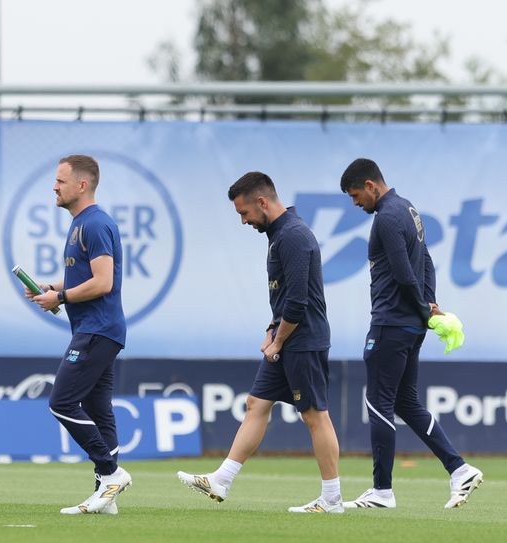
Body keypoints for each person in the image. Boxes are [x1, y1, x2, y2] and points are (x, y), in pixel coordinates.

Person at [177, 172, 344, 513]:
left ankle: (332, 499)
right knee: (256, 403)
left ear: (263, 202)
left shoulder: (294, 237)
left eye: (245, 213)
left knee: (314, 416)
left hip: (303, 340)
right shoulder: (279, 234)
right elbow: (285, 298)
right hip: (286, 337)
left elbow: (299, 302)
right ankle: (222, 479)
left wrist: (278, 340)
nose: (243, 221)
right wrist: (272, 329)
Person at [339, 158, 483, 510]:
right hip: (411, 325)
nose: (355, 203)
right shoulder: (409, 209)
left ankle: (382, 491)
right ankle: (459, 469)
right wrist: (429, 305)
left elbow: (405, 273)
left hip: (390, 323)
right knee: (406, 402)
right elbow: (427, 261)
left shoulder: (387, 217)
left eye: (356, 195)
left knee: (378, 404)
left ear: (371, 185)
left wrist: (422, 306)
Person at [29, 154, 131, 515]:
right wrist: (53, 286)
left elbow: (103, 283)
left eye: (60, 181)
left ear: (82, 185)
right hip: (97, 330)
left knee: (61, 402)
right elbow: (83, 277)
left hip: (97, 331)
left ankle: (110, 473)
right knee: (99, 410)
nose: (54, 187)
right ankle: (106, 498)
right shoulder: (79, 224)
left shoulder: (95, 223)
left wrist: (60, 297)